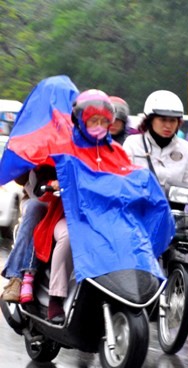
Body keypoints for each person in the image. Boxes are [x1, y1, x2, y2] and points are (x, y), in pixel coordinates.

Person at [33, 90, 138, 323]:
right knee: (70, 237)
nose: (99, 126)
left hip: (106, 220)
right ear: (80, 120)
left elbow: (131, 179)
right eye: (93, 120)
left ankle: (132, 294)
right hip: (70, 218)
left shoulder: (118, 152)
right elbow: (42, 180)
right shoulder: (64, 147)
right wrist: (53, 183)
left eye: (103, 121)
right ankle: (56, 298)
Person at [122, 90, 188, 201]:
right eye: (163, 120)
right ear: (150, 120)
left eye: (173, 120)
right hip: (139, 210)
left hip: (173, 213)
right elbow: (123, 180)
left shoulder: (185, 147)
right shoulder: (132, 143)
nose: (168, 125)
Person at [0, 170, 48, 304]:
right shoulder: (39, 154)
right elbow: (19, 178)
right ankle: (16, 277)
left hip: (66, 207)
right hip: (36, 200)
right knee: (34, 207)